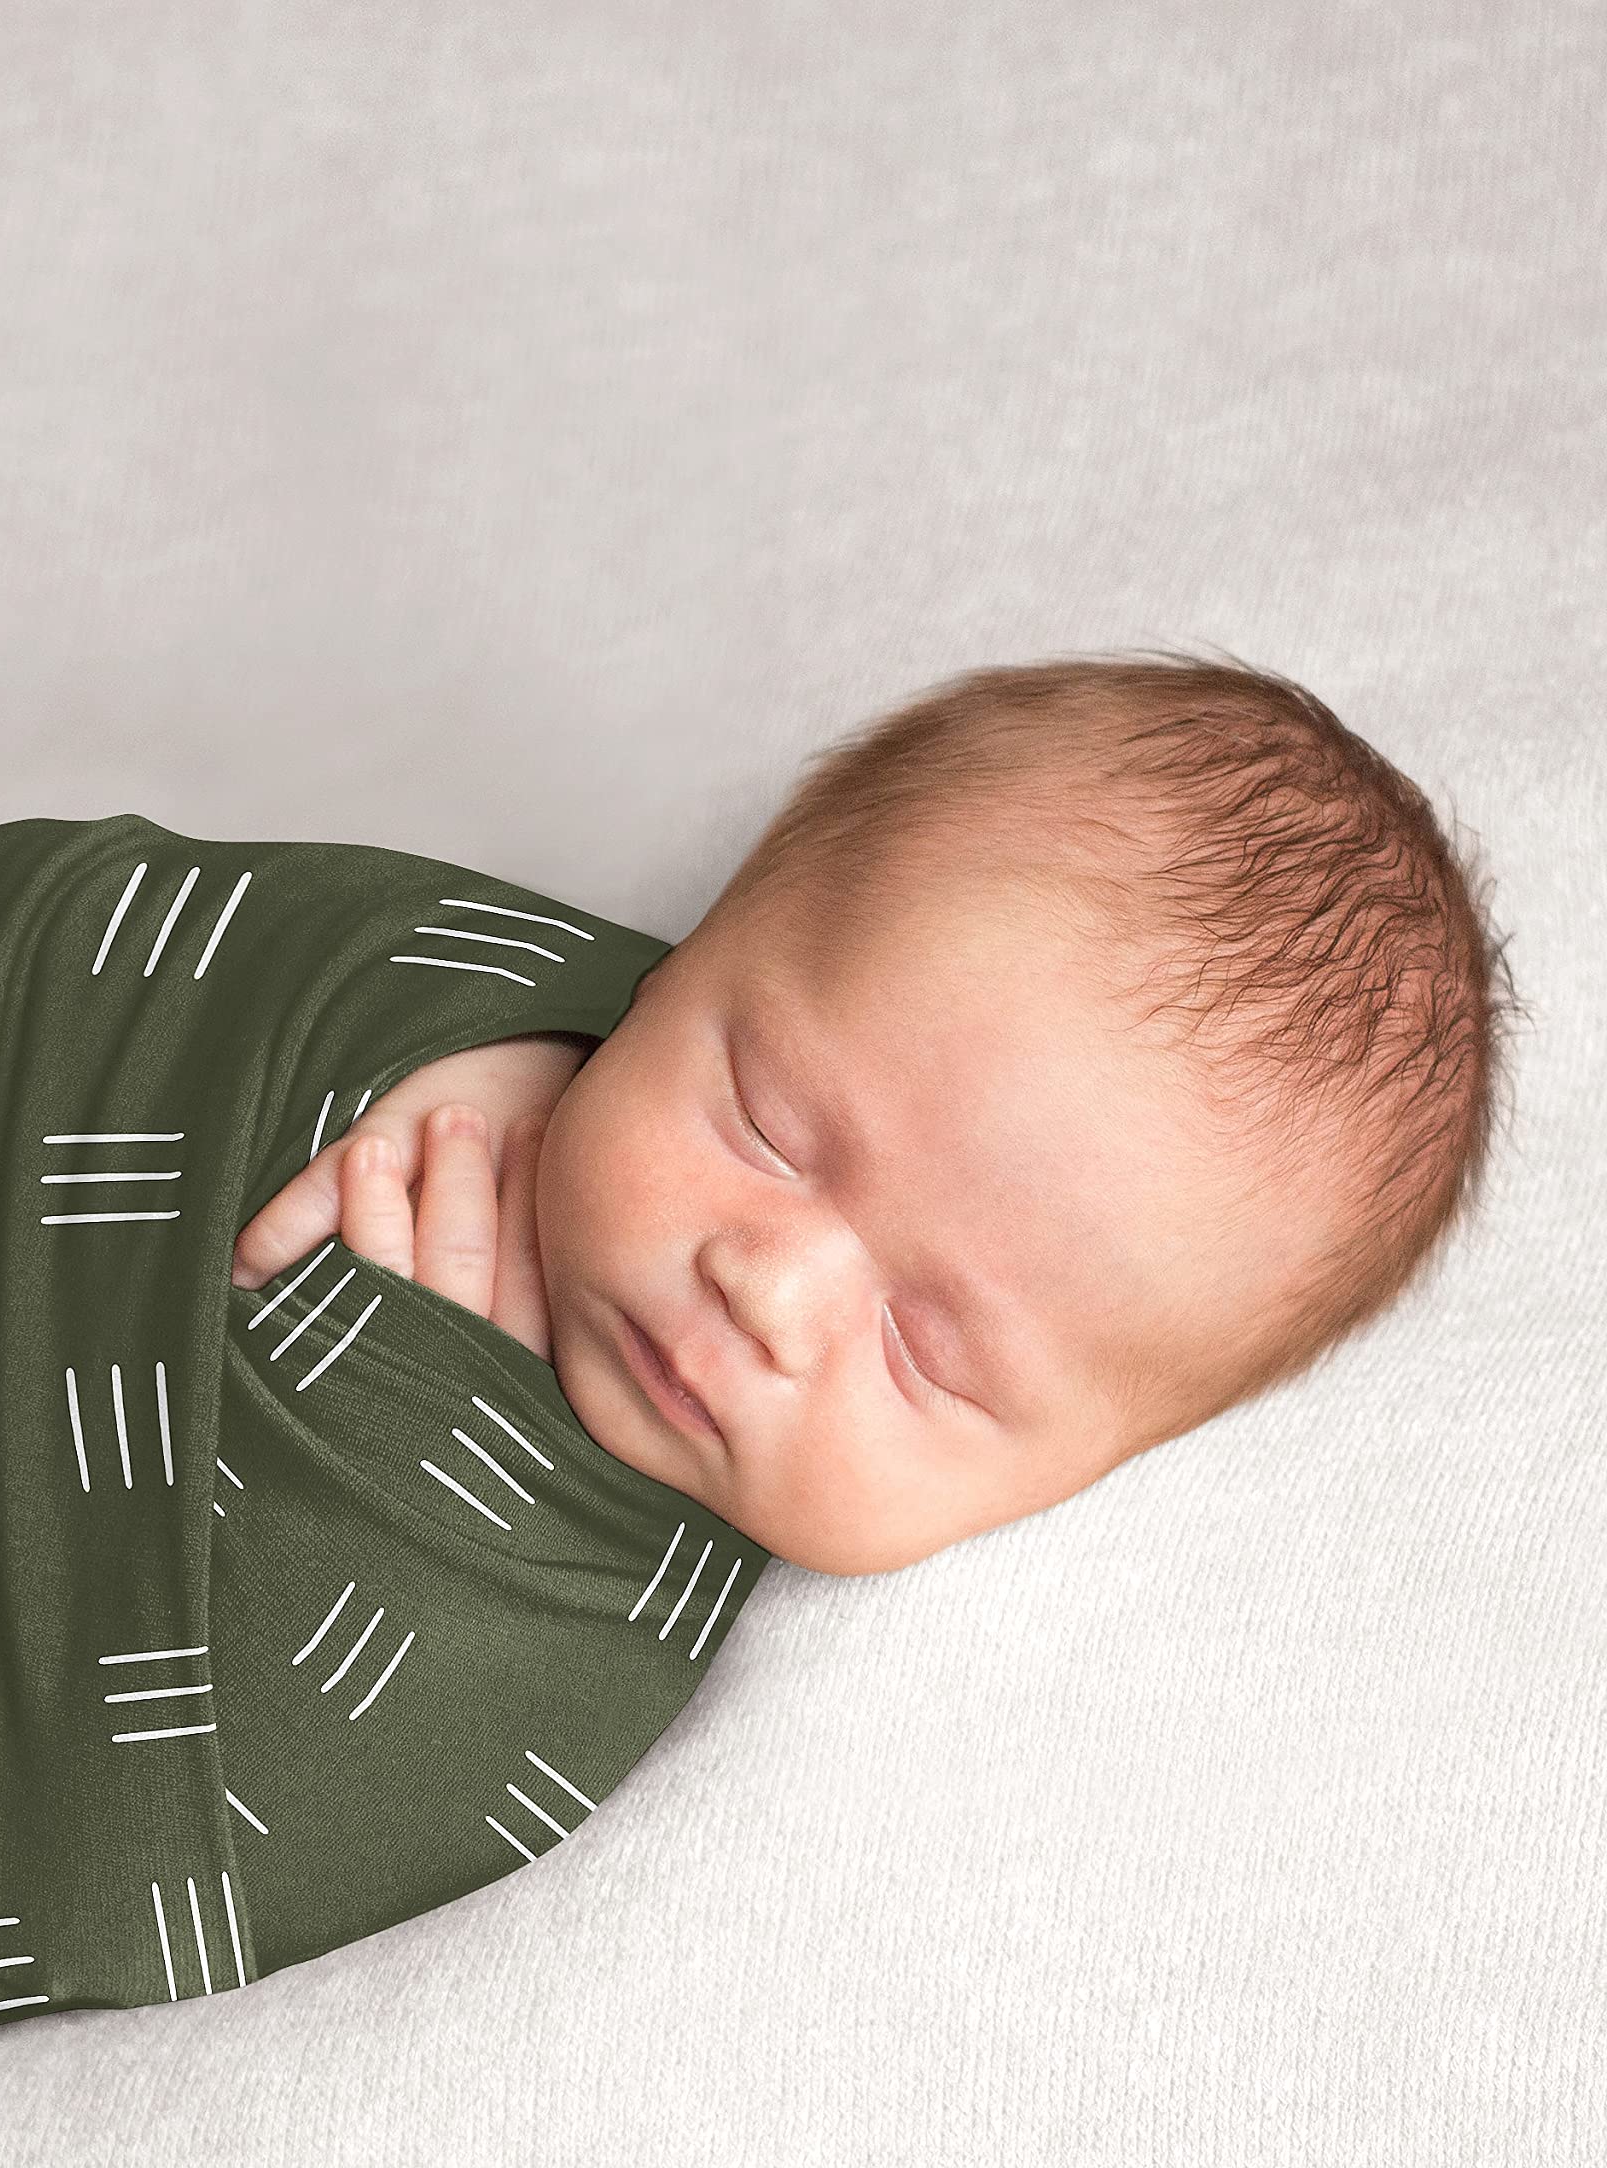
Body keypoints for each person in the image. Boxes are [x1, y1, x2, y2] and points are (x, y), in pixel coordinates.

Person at [232, 651, 1521, 1574]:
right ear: (678, 964)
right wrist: (491, 1041)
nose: (768, 1294)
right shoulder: (508, 1046)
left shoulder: (603, 1631)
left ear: (1081, 1477)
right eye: (767, 1127)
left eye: (927, 1353)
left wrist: (398, 1434)